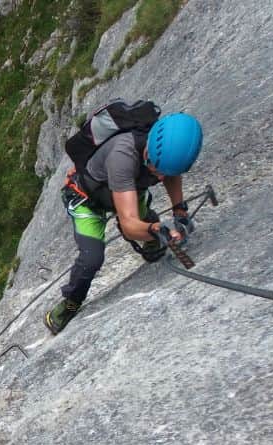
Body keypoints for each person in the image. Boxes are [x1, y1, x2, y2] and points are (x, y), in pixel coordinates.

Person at [45, 112, 203, 334]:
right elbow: (129, 225)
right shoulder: (123, 155)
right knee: (91, 258)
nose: (158, 176)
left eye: (163, 172)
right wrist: (155, 230)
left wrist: (180, 211)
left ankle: (150, 242)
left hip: (128, 189)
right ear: (148, 150)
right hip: (87, 200)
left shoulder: (164, 154)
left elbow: (170, 173)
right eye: (154, 167)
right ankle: (70, 303)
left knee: (145, 220)